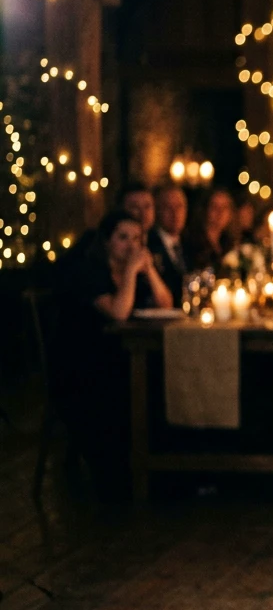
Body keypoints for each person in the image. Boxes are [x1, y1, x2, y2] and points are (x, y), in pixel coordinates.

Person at [61, 210, 173, 498]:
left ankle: (166, 470)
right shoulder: (90, 272)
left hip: (129, 357)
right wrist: (132, 273)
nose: (131, 246)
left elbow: (166, 303)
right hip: (88, 366)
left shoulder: (134, 271)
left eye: (137, 238)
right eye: (123, 238)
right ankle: (133, 473)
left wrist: (148, 270)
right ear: (107, 241)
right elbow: (119, 313)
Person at [147, 184, 189, 306]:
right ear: (157, 210)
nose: (175, 213)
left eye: (179, 207)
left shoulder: (190, 244)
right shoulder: (149, 244)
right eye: (167, 207)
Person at [184, 187, 237, 271]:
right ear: (205, 209)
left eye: (225, 207)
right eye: (215, 207)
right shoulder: (193, 242)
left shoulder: (228, 242)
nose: (220, 212)